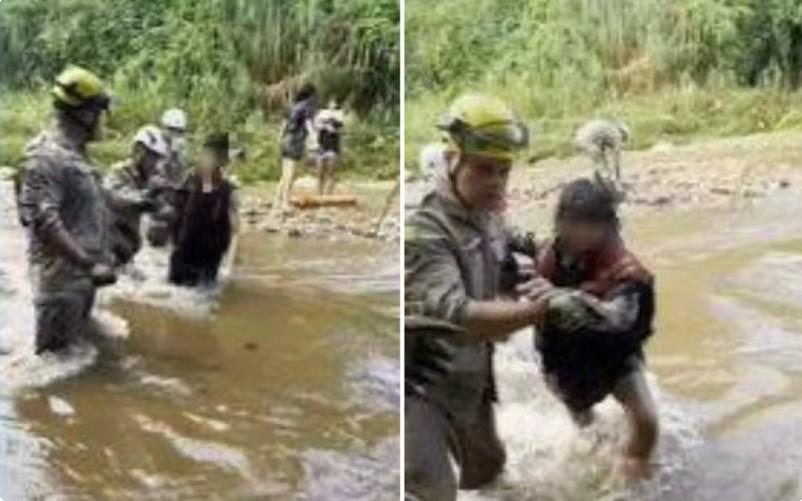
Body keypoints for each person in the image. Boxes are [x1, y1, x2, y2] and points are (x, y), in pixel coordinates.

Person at [405, 93, 548, 501]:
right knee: (433, 489)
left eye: (504, 171)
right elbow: (457, 317)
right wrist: (538, 311)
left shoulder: (486, 212)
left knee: (488, 469)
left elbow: (516, 248)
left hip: (469, 374)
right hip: (420, 380)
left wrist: (562, 259)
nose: (497, 182)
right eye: (484, 169)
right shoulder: (424, 226)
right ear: (453, 160)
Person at [533, 178, 658, 479]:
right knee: (585, 424)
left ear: (608, 226)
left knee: (646, 419)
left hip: (613, 349)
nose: (582, 232)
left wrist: (568, 299)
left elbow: (622, 320)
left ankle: (634, 473)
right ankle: (595, 462)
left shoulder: (624, 268)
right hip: (563, 354)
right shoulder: (546, 257)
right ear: (560, 222)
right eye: (574, 223)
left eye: (592, 224)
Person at [17, 66, 117, 354]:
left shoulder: (77, 156)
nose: (102, 120)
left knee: (76, 362)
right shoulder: (46, 156)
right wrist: (88, 264)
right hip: (61, 287)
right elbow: (43, 220)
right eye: (99, 112)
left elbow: (89, 212)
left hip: (81, 281)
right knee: (53, 366)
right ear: (85, 114)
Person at [169, 132, 239, 287]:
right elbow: (177, 215)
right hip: (186, 256)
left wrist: (229, 267)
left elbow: (235, 230)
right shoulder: (192, 181)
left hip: (208, 260)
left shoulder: (228, 190)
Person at [105, 125, 171, 262]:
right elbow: (114, 199)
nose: (155, 163)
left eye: (158, 158)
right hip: (109, 243)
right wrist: (147, 194)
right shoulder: (119, 172)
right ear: (139, 151)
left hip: (128, 246)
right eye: (152, 157)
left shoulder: (149, 177)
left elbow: (161, 209)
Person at [272, 83, 317, 216]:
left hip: (286, 140)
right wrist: (314, 138)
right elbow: (308, 124)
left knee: (285, 175)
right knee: (290, 175)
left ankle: (277, 202)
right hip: (295, 141)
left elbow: (284, 124)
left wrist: (279, 139)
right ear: (311, 95)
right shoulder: (306, 106)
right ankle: (285, 203)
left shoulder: (293, 106)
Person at [313, 99, 345, 195]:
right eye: (330, 103)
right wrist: (323, 125)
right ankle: (319, 195)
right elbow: (316, 126)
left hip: (333, 147)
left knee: (331, 172)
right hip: (321, 146)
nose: (332, 105)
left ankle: (328, 195)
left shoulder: (339, 116)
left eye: (334, 103)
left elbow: (342, 130)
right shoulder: (322, 114)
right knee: (319, 172)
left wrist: (334, 130)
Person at [159, 108, 189, 185]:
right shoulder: (154, 144)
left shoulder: (182, 148)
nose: (175, 134)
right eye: (172, 129)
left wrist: (174, 154)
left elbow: (179, 175)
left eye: (180, 131)